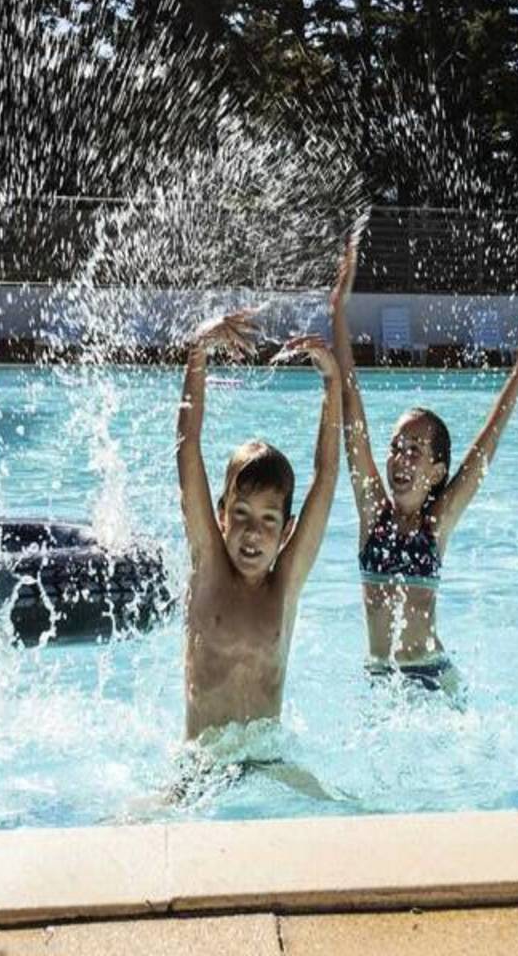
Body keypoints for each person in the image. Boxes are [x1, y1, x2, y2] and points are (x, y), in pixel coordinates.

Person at [330, 239, 518, 694]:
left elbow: (488, 442)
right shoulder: (373, 514)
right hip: (380, 676)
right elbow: (352, 411)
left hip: (432, 674)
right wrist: (338, 315)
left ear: (438, 471)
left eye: (415, 452)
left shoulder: (436, 522)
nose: (400, 459)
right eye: (396, 447)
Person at [177, 306, 342, 743]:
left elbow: (326, 478)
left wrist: (332, 383)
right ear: (221, 515)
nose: (252, 533)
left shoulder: (285, 584)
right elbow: (187, 449)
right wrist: (198, 350)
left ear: (287, 530)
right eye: (242, 515)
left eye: (269, 520)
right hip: (202, 768)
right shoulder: (208, 564)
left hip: (269, 764)